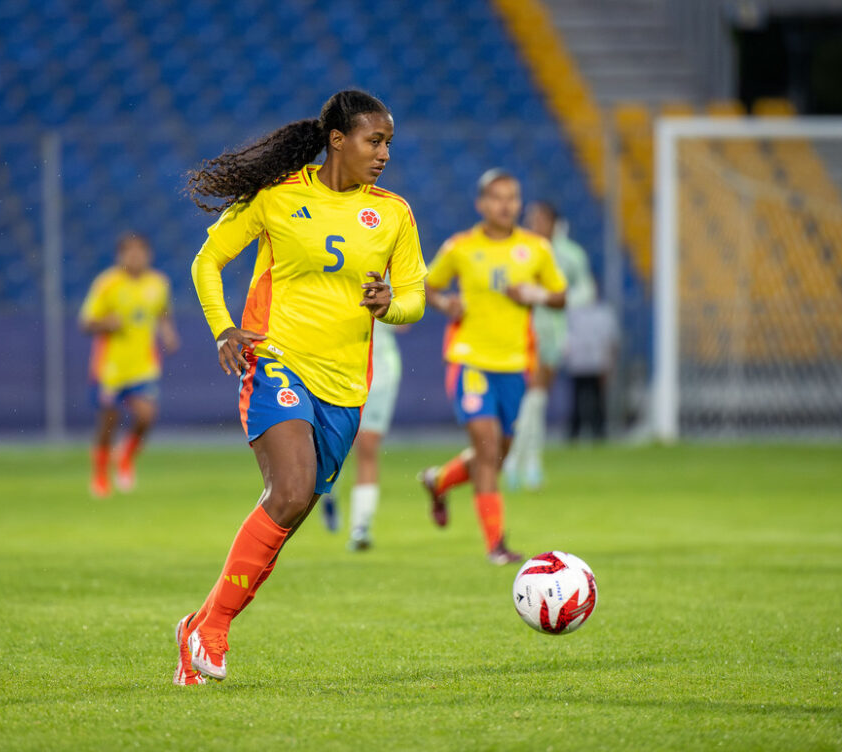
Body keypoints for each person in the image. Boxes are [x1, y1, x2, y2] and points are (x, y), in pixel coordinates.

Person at [175, 90, 427, 685]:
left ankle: (198, 625)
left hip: (344, 387)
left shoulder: (393, 214)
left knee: (285, 517)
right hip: (276, 362)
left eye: (389, 142)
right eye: (375, 140)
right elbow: (206, 261)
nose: (384, 152)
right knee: (288, 493)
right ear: (338, 139)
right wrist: (223, 329)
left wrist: (390, 304)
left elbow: (414, 295)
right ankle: (213, 633)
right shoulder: (279, 196)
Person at [418, 170, 566, 565]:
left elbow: (560, 296)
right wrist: (447, 304)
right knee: (486, 447)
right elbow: (428, 285)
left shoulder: (536, 249)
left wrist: (533, 293)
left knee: (497, 453)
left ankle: (438, 480)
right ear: (481, 204)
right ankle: (496, 544)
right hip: (470, 360)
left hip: (515, 365)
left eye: (513, 198)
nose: (506, 205)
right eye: (497, 198)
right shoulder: (461, 248)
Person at [79, 233, 179, 498]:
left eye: (140, 252)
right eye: (129, 252)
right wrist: (105, 325)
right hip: (110, 368)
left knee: (146, 416)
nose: (135, 257)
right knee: (108, 422)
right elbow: (86, 322)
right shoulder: (107, 284)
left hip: (143, 365)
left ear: (149, 255)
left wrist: (168, 332)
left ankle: (125, 457)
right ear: (119, 256)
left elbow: (162, 311)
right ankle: (100, 475)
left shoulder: (158, 283)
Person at [506, 201, 596, 490]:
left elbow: (586, 291)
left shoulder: (570, 255)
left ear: (554, 223)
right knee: (527, 400)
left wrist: (552, 298)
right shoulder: (521, 249)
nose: (534, 224)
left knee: (536, 400)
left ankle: (527, 462)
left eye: (540, 219)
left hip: (552, 333)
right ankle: (520, 462)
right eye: (531, 219)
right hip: (520, 331)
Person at [319, 318, 406, 550]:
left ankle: (361, 527)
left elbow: (406, 319)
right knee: (337, 444)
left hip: (380, 373)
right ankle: (327, 491)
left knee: (368, 446)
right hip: (339, 368)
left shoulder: (395, 279)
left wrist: (394, 306)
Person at [566, 298, 619, 440]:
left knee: (597, 399)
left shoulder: (604, 313)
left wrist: (609, 364)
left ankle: (599, 431)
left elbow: (610, 339)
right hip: (578, 363)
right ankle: (575, 432)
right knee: (577, 399)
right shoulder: (573, 313)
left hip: (597, 363)